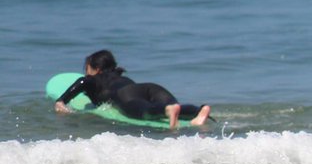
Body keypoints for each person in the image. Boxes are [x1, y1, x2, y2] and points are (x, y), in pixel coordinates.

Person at [54, 49, 211, 129]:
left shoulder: (93, 79)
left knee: (147, 112)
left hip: (125, 94)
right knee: (176, 107)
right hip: (148, 87)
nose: (86, 73)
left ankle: (168, 110)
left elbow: (82, 82)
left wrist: (61, 101)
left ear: (97, 69)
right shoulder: (119, 76)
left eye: (87, 69)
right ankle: (199, 110)